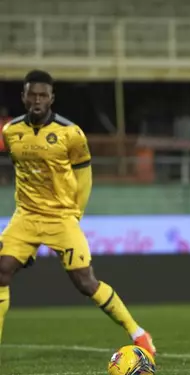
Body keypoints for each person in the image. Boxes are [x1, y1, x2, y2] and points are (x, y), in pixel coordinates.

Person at [0, 70, 156, 357]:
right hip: (26, 216)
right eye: (31, 94)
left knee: (85, 282)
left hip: (62, 218)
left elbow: (84, 175)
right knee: (2, 270)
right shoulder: (11, 132)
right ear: (23, 97)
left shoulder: (70, 133)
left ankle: (139, 333)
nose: (37, 100)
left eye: (42, 95)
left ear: (51, 98)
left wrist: (76, 214)